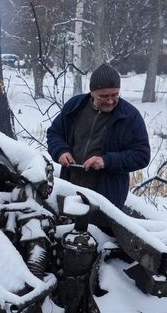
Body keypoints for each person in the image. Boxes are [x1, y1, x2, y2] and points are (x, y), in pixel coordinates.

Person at [46, 64, 150, 209]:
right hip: (70, 189)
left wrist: (106, 160)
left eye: (115, 95)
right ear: (92, 93)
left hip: (107, 198)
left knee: (100, 232)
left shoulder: (130, 117)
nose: (110, 101)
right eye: (104, 96)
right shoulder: (75, 107)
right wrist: (61, 151)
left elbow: (142, 155)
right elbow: (54, 134)